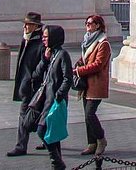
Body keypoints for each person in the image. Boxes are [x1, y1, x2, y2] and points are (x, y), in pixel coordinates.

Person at [33, 24, 73, 170]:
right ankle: (57, 163)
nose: (43, 39)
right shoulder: (49, 53)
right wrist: (44, 59)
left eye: (46, 36)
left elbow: (68, 78)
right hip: (46, 99)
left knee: (42, 130)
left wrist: (60, 94)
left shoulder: (63, 55)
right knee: (52, 134)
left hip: (55, 100)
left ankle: (57, 162)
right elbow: (36, 74)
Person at [6, 12, 44, 157]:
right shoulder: (26, 40)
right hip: (25, 85)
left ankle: (21, 146)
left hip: (34, 86)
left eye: (28, 24)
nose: (25, 27)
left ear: (35, 26)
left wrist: (33, 77)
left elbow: (43, 64)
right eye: (25, 24)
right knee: (36, 115)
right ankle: (48, 141)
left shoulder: (40, 43)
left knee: (27, 116)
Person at [74, 13, 112, 156]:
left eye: (90, 23)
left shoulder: (103, 43)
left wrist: (79, 70)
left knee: (90, 114)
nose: (87, 26)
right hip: (86, 84)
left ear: (98, 25)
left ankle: (101, 139)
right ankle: (91, 143)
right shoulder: (87, 41)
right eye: (86, 23)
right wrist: (79, 63)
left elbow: (98, 64)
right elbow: (86, 58)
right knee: (86, 115)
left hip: (96, 84)